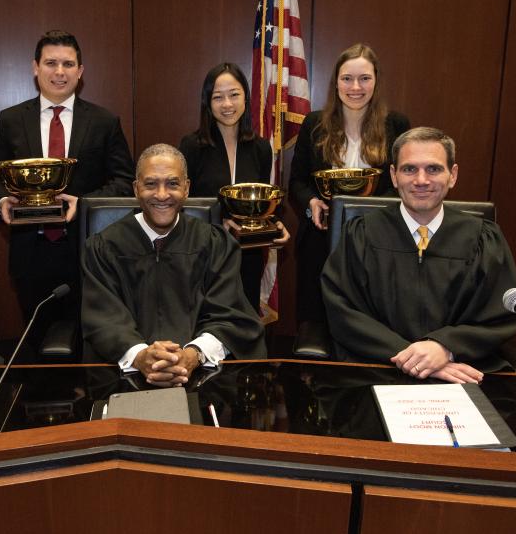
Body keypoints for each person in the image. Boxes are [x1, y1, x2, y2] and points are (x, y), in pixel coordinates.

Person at [321, 127, 516, 381]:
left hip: (461, 371)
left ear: (453, 175)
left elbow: (501, 314)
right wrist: (414, 357)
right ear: (394, 176)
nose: (421, 180)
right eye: (409, 169)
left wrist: (444, 347)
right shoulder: (362, 234)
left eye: (434, 169)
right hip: (376, 369)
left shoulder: (482, 237)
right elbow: (342, 309)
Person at [0, 31, 134, 355]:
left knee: (90, 345)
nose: (59, 71)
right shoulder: (11, 120)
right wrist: (4, 200)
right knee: (37, 345)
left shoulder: (104, 121)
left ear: (80, 71)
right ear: (35, 67)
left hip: (87, 253)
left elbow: (125, 181)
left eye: (68, 64)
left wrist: (83, 204)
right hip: (30, 252)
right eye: (51, 63)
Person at [82, 144, 266, 387]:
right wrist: (140, 356)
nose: (161, 194)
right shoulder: (104, 246)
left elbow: (230, 314)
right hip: (125, 379)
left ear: (187, 188)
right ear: (136, 189)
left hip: (202, 378)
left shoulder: (214, 243)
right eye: (150, 184)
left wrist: (192, 355)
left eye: (172, 183)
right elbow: (104, 319)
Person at [288, 44, 410, 341]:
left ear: (376, 81)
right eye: (347, 78)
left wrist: (368, 213)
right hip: (321, 242)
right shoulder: (314, 124)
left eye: (364, 78)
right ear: (336, 82)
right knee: (317, 323)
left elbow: (403, 185)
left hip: (377, 244)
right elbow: (297, 183)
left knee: (367, 325)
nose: (355, 87)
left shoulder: (397, 125)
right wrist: (311, 202)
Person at [179, 63, 289, 312]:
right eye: (218, 97)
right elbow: (184, 207)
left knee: (244, 325)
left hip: (246, 257)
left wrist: (274, 228)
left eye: (234, 95)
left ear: (246, 98)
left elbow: (262, 205)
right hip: (204, 256)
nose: (227, 104)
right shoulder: (191, 146)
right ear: (208, 102)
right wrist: (220, 224)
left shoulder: (261, 148)